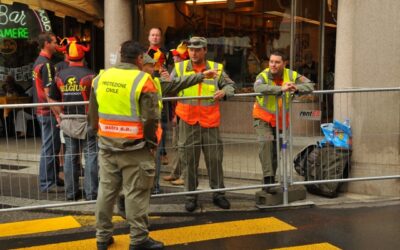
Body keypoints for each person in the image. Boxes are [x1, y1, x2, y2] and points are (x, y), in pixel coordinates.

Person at [117, 52, 219, 218]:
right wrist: (150, 141)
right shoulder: (143, 83)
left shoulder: (152, 82)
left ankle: (124, 209)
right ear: (142, 66)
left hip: (127, 139)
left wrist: (200, 76)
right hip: (138, 139)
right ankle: (136, 226)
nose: (154, 70)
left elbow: (180, 82)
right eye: (152, 67)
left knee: (132, 180)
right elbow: (147, 117)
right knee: (138, 181)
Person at [88, 40, 164, 250]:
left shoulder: (101, 77)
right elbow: (150, 119)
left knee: (106, 191)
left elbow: (93, 113)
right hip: (135, 148)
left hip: (107, 146)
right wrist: (151, 143)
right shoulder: (143, 80)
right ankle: (138, 239)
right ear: (140, 58)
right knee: (136, 193)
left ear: (121, 56)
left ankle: (102, 237)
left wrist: (98, 134)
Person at [171, 36, 235, 212]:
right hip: (187, 121)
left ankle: (219, 195)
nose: (193, 52)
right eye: (191, 49)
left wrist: (224, 91)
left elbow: (231, 86)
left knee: (214, 160)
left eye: (198, 49)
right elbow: (168, 87)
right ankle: (190, 197)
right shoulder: (180, 68)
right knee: (189, 161)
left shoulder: (216, 68)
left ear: (205, 50)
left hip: (210, 121)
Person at [253, 50, 314, 194]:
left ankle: (269, 179)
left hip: (280, 121)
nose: (273, 65)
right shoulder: (263, 75)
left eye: (277, 62)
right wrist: (281, 89)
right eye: (271, 61)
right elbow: (258, 87)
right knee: (266, 144)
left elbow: (310, 85)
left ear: (284, 63)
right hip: (262, 118)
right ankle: (268, 180)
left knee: (275, 150)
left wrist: (296, 87)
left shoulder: (291, 75)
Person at [48, 38, 98, 201]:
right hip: (87, 120)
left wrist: (59, 116)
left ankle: (71, 194)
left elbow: (52, 99)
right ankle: (91, 194)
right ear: (83, 56)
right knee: (90, 155)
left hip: (67, 120)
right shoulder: (91, 75)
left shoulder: (59, 75)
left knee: (70, 155)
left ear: (68, 57)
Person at [32, 32, 62, 192]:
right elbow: (48, 92)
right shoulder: (47, 64)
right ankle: (47, 183)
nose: (57, 44)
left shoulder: (38, 62)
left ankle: (52, 179)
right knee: (50, 146)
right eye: (55, 42)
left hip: (41, 110)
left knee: (51, 145)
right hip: (46, 111)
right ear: (46, 44)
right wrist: (58, 114)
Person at [162, 41, 190, 186]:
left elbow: (176, 92)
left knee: (183, 146)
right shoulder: (177, 69)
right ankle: (176, 172)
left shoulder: (183, 70)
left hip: (183, 113)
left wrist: (175, 115)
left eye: (177, 57)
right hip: (179, 111)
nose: (174, 58)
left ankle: (184, 175)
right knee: (178, 145)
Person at [147, 27, 169, 166]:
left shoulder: (165, 53)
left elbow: (169, 70)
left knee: (162, 124)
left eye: (157, 35)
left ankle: (162, 153)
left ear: (160, 38)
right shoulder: (144, 53)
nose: (155, 37)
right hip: (147, 91)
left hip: (161, 91)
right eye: (152, 35)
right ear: (148, 37)